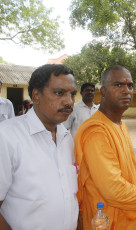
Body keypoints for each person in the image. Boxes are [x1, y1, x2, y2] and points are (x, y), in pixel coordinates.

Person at [74, 65, 136, 230]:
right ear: (104, 91)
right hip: (108, 220)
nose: (126, 90)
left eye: (130, 85)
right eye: (118, 85)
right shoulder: (97, 131)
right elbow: (113, 190)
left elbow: (129, 171)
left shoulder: (120, 125)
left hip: (129, 219)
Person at [0, 64, 79, 230]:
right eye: (59, 93)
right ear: (36, 95)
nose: (69, 102)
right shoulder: (7, 136)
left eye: (72, 94)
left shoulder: (66, 137)